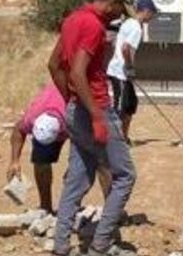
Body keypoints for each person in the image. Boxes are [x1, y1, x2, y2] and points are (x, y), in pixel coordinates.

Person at [48, 0, 138, 256]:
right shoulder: (93, 26)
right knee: (125, 175)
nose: (119, 16)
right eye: (119, 10)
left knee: (79, 175)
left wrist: (70, 101)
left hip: (77, 108)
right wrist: (96, 115)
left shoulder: (72, 19)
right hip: (96, 106)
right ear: (111, 2)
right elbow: (77, 72)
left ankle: (61, 244)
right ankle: (100, 245)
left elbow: (54, 65)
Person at [7, 82, 112, 213]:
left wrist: (76, 167)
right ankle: (46, 207)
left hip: (79, 113)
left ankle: (112, 209)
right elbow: (18, 130)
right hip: (52, 110)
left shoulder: (74, 115)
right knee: (41, 162)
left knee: (98, 162)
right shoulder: (32, 118)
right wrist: (14, 161)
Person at [106, 0, 157, 140]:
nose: (153, 16)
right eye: (152, 13)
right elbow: (125, 48)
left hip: (121, 72)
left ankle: (123, 137)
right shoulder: (136, 27)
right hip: (120, 73)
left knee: (130, 104)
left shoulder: (129, 22)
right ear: (146, 11)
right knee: (119, 107)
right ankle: (113, 141)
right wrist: (129, 67)